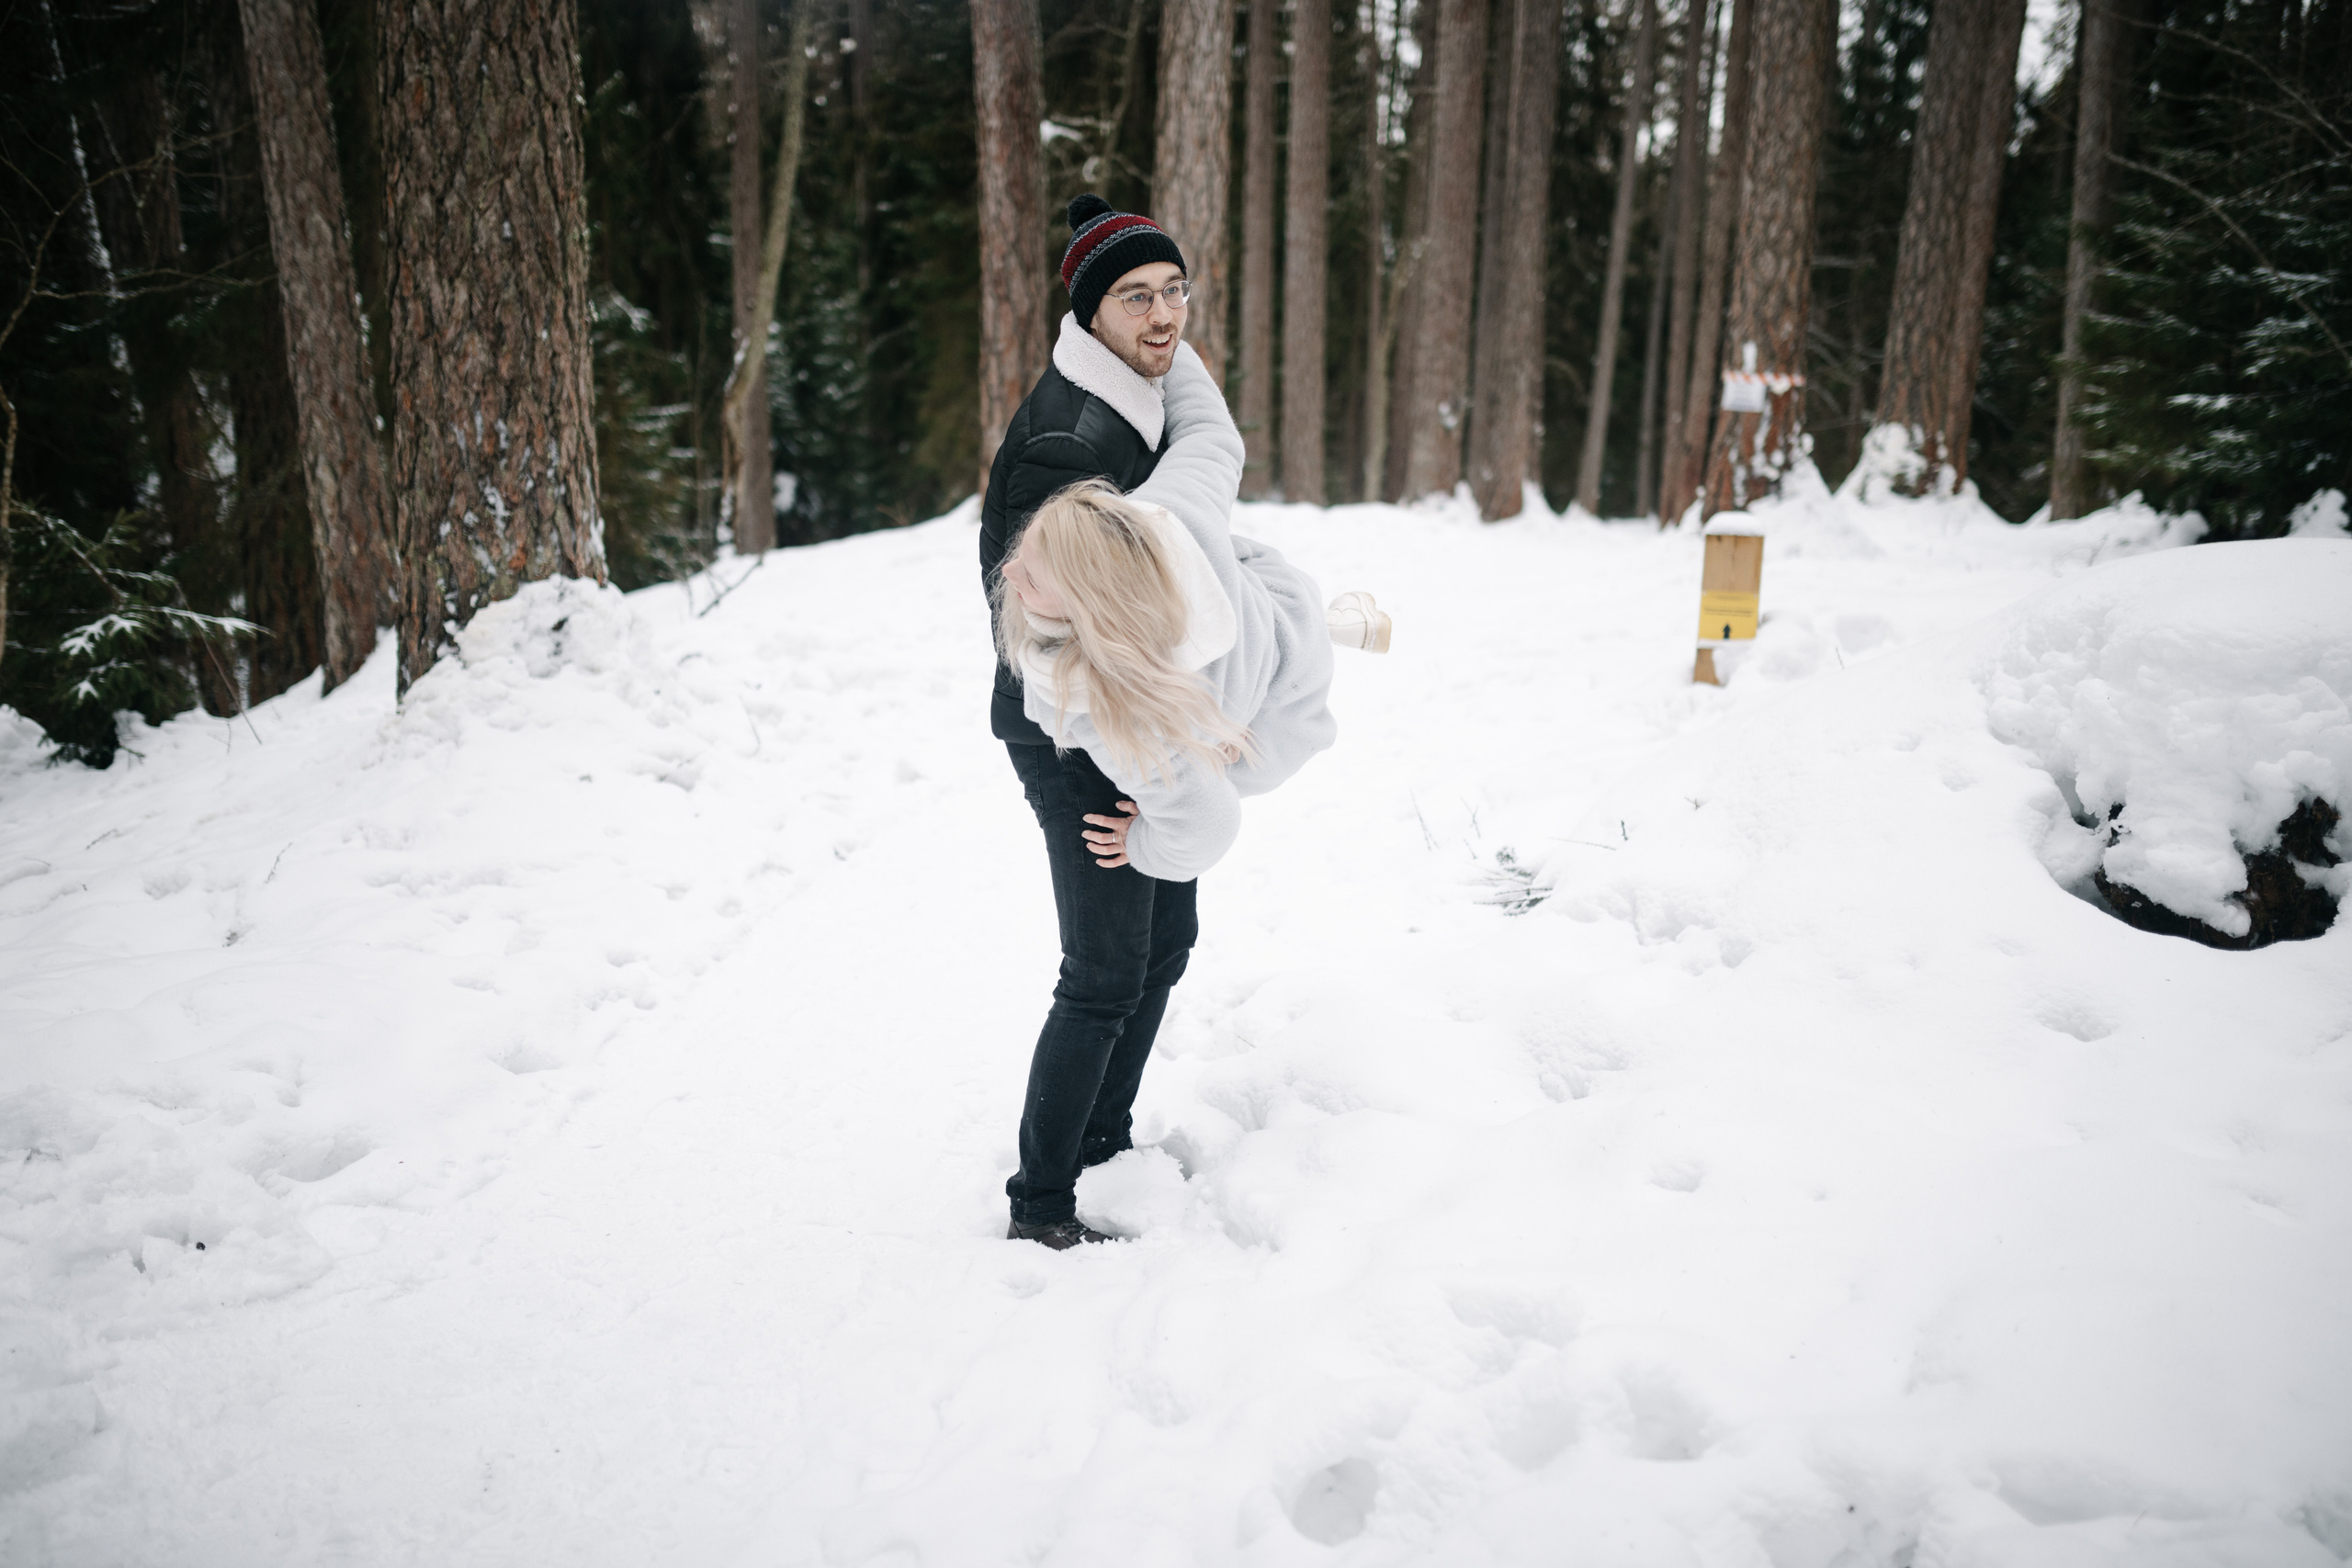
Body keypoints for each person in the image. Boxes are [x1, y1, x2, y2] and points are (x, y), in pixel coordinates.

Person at [982, 195, 1390, 1250]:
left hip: (1161, 696)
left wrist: (1154, 312)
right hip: (1085, 715)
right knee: (1106, 968)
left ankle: (1104, 1143)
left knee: (1168, 942)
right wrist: (1156, 819)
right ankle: (1042, 1205)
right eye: (1136, 298)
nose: (1164, 315)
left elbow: (1210, 436)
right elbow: (1060, 627)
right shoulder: (1067, 449)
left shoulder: (1150, 407)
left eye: (1176, 293)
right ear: (1087, 317)